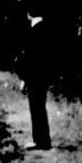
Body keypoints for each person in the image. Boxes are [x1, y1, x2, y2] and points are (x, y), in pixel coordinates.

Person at [17, 9, 56, 150]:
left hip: (34, 77)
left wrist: (24, 79)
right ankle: (43, 139)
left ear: (29, 14)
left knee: (36, 107)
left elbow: (29, 59)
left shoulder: (34, 32)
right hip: (43, 76)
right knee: (40, 107)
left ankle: (40, 140)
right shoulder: (46, 28)